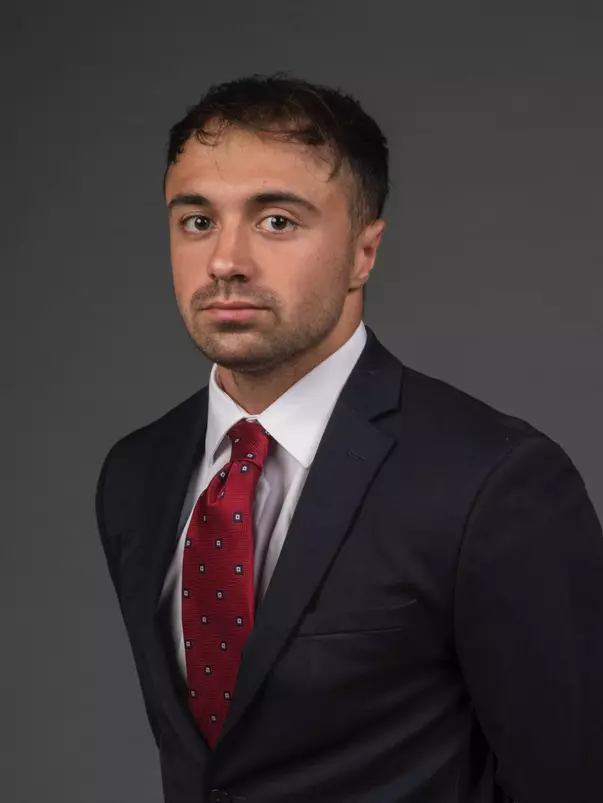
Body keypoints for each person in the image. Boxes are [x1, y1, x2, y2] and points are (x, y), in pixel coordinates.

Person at [95, 72, 603, 803]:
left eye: (277, 221)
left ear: (364, 252)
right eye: (197, 220)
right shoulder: (136, 475)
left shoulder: (493, 483)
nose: (225, 260)